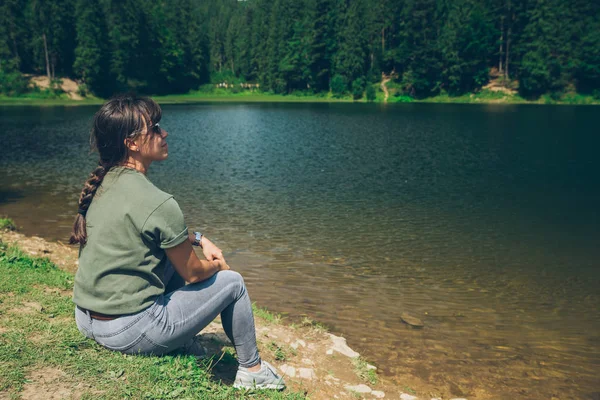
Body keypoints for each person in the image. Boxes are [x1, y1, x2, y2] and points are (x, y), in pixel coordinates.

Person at [70, 94, 285, 390]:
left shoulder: (103, 184)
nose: (164, 133)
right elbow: (193, 273)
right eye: (155, 128)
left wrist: (199, 238)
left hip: (87, 319)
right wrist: (217, 266)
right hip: (127, 332)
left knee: (164, 256)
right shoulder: (159, 202)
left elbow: (155, 229)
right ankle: (253, 371)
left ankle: (179, 343)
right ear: (131, 143)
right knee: (233, 284)